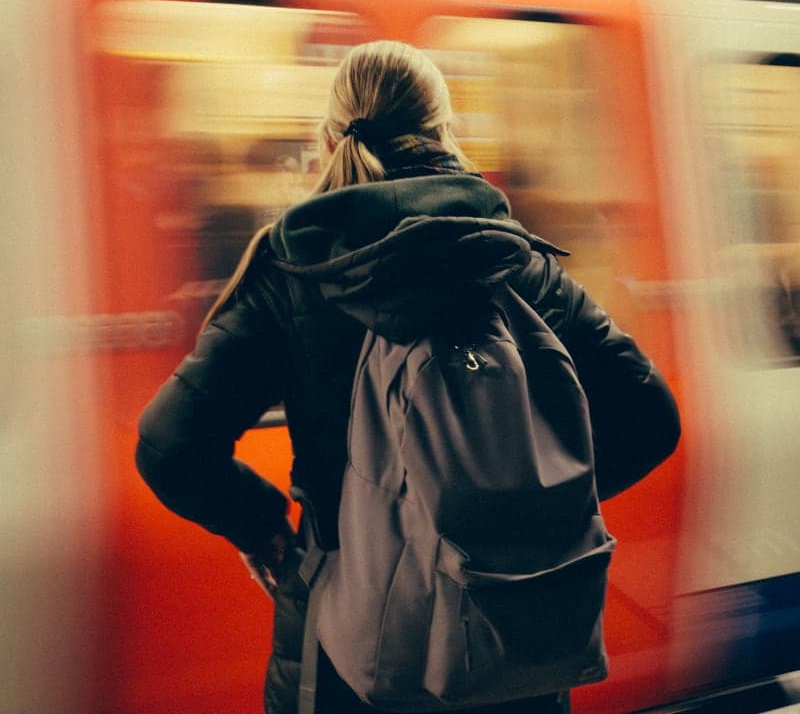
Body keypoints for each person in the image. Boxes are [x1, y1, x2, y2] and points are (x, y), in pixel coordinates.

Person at [136, 41, 681, 714]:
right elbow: (650, 416)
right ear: (445, 132)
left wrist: (265, 528)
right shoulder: (511, 259)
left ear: (330, 136)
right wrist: (533, 509)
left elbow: (169, 445)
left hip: (347, 646)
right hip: (503, 631)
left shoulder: (294, 271)